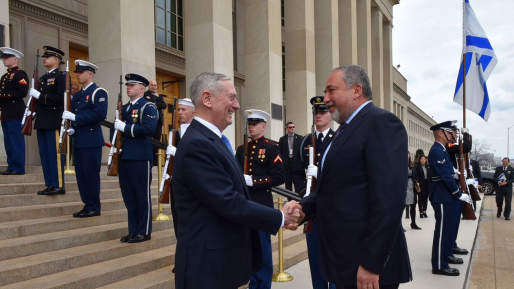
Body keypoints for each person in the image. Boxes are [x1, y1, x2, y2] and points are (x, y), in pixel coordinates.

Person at [171, 72, 303, 289]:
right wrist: (280, 216)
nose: (237, 105)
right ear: (207, 99)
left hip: (219, 263)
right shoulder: (198, 144)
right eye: (231, 97)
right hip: (206, 269)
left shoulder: (213, 140)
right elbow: (228, 201)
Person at [299, 65, 412, 289]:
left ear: (356, 90)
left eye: (331, 91)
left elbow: (388, 202)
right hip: (345, 260)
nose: (326, 98)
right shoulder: (344, 130)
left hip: (367, 266)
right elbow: (337, 188)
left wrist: (372, 263)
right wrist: (303, 208)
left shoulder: (381, 123)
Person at [235, 109, 285, 289]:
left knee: (262, 249)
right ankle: (251, 283)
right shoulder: (241, 149)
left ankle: (263, 285)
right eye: (249, 124)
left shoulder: (271, 147)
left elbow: (279, 177)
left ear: (263, 126)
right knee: (247, 247)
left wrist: (254, 181)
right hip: (244, 203)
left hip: (262, 203)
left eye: (254, 124)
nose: (251, 127)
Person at [292, 96, 335, 289]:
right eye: (316, 112)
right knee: (316, 261)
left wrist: (322, 174)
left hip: (333, 210)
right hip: (312, 211)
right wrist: (306, 194)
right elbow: (295, 173)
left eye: (323, 111)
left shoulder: (339, 139)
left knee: (334, 260)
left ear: (331, 114)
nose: (318, 115)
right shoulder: (304, 142)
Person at [112, 73, 158, 243]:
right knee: (129, 196)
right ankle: (133, 230)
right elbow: (115, 130)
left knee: (141, 195)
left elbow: (149, 128)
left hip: (140, 157)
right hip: (124, 156)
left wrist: (126, 127)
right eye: (127, 85)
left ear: (142, 88)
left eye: (132, 85)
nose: (128, 87)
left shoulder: (148, 107)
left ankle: (144, 231)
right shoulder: (123, 108)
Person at [62, 60, 108, 218]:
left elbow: (99, 115)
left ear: (90, 74)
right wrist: (72, 127)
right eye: (77, 73)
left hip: (91, 140)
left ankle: (94, 206)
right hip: (79, 139)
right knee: (81, 174)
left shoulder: (98, 92)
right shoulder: (78, 95)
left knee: (90, 174)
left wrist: (76, 117)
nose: (78, 75)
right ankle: (87, 204)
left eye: (81, 72)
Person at [428, 120, 472, 276]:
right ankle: (439, 265)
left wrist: (462, 177)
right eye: (449, 132)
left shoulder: (443, 151)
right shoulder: (436, 151)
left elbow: (451, 172)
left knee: (448, 230)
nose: (452, 135)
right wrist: (459, 194)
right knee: (442, 232)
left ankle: (446, 256)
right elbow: (446, 176)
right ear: (441, 133)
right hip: (442, 196)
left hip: (446, 196)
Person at [30, 46, 67, 195]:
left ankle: (58, 184)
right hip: (42, 119)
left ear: (56, 60)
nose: (44, 59)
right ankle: (50, 183)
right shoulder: (43, 78)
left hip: (53, 119)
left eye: (48, 57)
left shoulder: (62, 76)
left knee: (55, 153)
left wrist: (39, 96)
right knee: (45, 154)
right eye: (44, 57)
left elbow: (60, 98)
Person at [0, 47, 29, 175]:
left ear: (15, 59)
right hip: (6, 113)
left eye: (6, 57)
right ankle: (11, 165)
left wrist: (3, 94)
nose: (3, 59)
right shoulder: (5, 76)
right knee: (8, 141)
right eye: (3, 57)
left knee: (16, 141)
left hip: (15, 112)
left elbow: (21, 92)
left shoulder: (20, 74)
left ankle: (18, 167)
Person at [445, 124, 472, 261]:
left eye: (456, 132)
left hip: (456, 187)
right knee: (450, 224)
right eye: (454, 132)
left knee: (455, 223)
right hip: (451, 191)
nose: (455, 135)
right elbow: (466, 147)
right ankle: (448, 249)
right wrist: (466, 136)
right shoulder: (447, 147)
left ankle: (452, 245)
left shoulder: (450, 147)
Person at [143, 80, 167, 165]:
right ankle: (148, 158)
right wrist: (156, 99)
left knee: (157, 141)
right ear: (149, 86)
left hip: (158, 122)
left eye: (155, 85)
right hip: (149, 121)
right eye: (152, 85)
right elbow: (148, 103)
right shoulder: (146, 94)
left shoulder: (159, 95)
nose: (153, 87)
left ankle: (155, 160)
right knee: (149, 140)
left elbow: (164, 105)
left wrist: (155, 102)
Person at [279, 121, 302, 190]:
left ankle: (298, 199)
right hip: (287, 164)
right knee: (288, 183)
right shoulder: (282, 139)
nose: (292, 128)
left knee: (297, 182)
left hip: (296, 163)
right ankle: (290, 199)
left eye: (293, 127)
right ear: (287, 128)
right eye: (290, 127)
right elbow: (280, 151)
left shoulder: (300, 138)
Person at [406, 152, 421, 230]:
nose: (407, 155)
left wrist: (418, 185)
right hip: (405, 186)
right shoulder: (400, 164)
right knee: (403, 206)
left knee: (413, 205)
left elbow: (416, 176)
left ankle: (413, 223)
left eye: (408, 154)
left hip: (413, 186)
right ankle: (399, 225)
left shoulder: (412, 164)